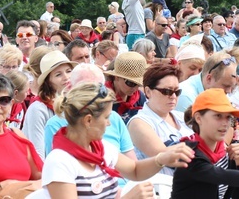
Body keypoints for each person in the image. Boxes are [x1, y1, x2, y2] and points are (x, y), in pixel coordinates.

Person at [43, 82, 194, 199]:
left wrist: (161, 159)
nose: (109, 123)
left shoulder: (99, 148)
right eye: (106, 117)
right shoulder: (59, 161)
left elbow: (134, 170)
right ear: (88, 121)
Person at [173, 89, 239, 199]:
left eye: (228, 117)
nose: (225, 123)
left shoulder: (224, 153)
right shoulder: (189, 153)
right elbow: (220, 175)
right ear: (199, 118)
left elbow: (237, 196)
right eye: (218, 116)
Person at [128, 63, 193, 175]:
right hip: (160, 188)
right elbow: (166, 158)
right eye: (167, 91)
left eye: (177, 92)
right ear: (148, 92)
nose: (173, 96)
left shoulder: (181, 116)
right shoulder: (138, 123)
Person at [23, 49, 75, 160]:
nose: (66, 77)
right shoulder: (38, 109)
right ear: (48, 81)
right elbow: (38, 154)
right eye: (58, 74)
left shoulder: (77, 103)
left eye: (69, 71)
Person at [105, 52, 147, 123]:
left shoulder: (140, 98)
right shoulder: (103, 98)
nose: (136, 89)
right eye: (131, 83)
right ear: (117, 77)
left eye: (139, 84)